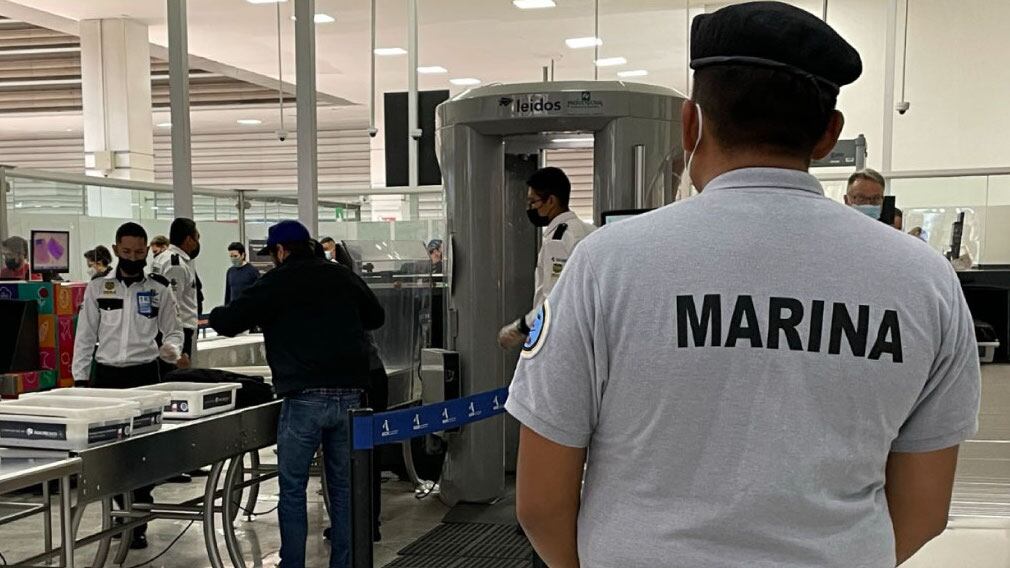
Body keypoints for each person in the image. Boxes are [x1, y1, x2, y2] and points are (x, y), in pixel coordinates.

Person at [506, 4, 981, 568]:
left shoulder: (607, 265)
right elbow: (925, 510)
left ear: (691, 125)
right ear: (829, 135)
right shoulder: (924, 281)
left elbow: (540, 503)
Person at [208, 220, 384, 568]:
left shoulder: (275, 282)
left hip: (304, 399)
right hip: (350, 397)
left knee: (292, 490)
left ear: (281, 251)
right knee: (344, 491)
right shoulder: (341, 275)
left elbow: (228, 322)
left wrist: (211, 314)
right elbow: (376, 316)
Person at [72, 222, 183, 549]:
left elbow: (173, 331)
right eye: (126, 252)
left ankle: (138, 521)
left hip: (145, 377)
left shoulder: (160, 290)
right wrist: (80, 380)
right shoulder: (98, 288)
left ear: (147, 251)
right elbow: (85, 337)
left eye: (139, 252)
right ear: (117, 249)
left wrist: (172, 350)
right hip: (106, 377)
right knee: (110, 452)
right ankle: (119, 515)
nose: (133, 257)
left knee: (142, 453)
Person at [497, 167, 594, 349]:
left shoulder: (557, 240)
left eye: (533, 202)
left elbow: (553, 302)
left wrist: (518, 328)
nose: (530, 208)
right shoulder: (590, 230)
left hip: (562, 338)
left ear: (551, 200)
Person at [152, 218, 201, 367]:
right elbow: (173, 305)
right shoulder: (176, 265)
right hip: (178, 331)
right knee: (178, 376)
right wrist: (177, 346)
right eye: (197, 238)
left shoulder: (163, 258)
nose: (198, 242)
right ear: (188, 239)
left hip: (167, 330)